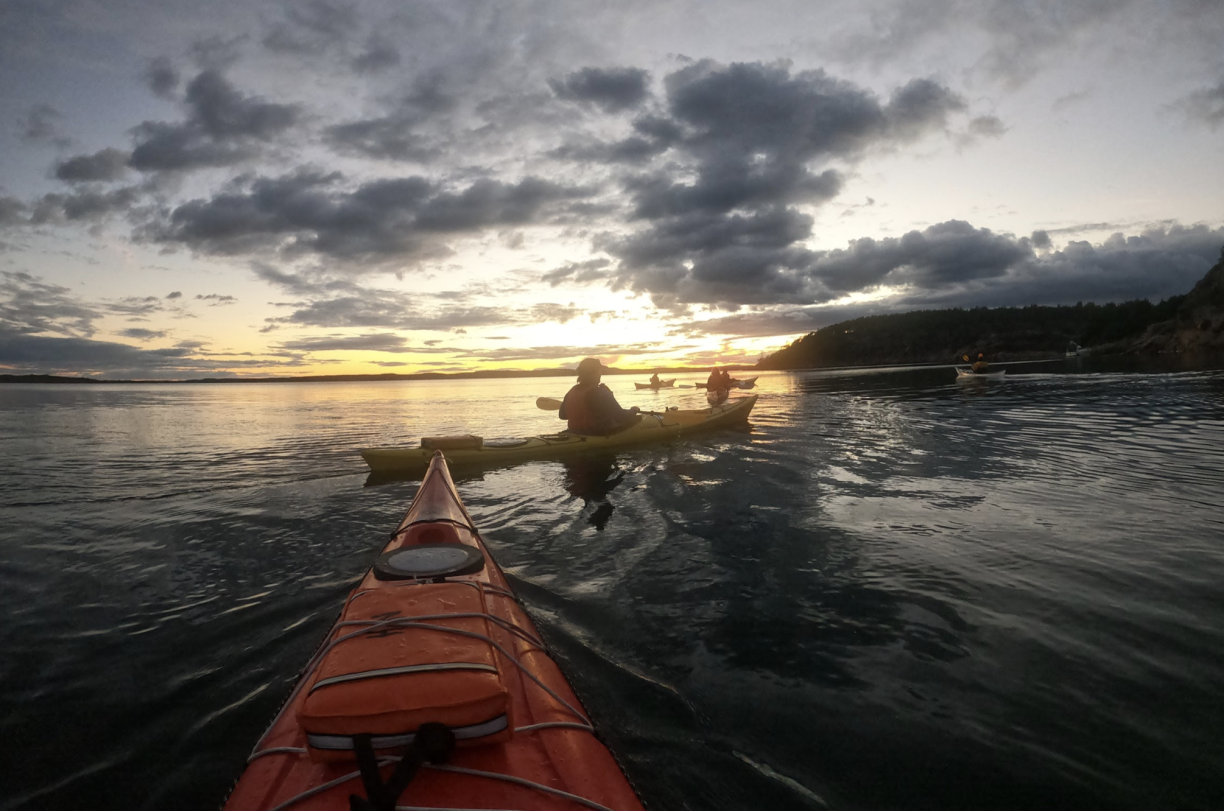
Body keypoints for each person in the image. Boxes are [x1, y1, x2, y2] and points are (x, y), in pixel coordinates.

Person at [559, 358, 640, 435]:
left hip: (574, 432)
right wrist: (634, 410)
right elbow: (621, 416)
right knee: (638, 419)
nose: (600, 373)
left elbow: (562, 415)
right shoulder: (600, 392)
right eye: (599, 371)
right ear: (594, 373)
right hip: (596, 433)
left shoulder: (572, 391)